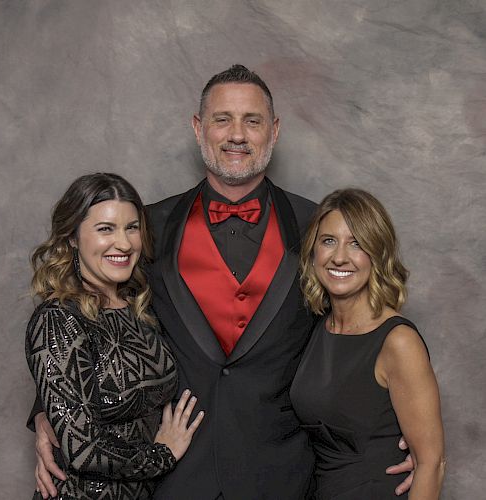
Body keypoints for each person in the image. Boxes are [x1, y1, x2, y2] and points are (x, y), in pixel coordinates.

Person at [30, 66, 415, 499]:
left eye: (252, 120)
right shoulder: (145, 227)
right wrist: (48, 412)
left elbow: (363, 328)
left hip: (283, 473)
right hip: (175, 474)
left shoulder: (317, 227)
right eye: (222, 119)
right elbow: (82, 311)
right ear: (199, 129)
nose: (237, 134)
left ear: (274, 131)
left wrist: (404, 433)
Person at [25, 173, 204, 499]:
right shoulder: (58, 319)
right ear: (73, 238)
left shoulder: (142, 306)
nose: (123, 243)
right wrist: (162, 455)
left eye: (131, 228)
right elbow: (82, 448)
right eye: (105, 229)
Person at [290, 188, 445, 499]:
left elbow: (432, 464)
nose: (339, 257)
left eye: (357, 244)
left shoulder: (398, 342)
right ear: (313, 251)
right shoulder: (321, 328)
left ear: (378, 253)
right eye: (328, 240)